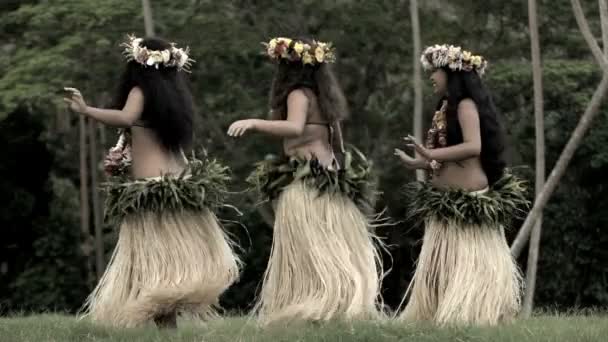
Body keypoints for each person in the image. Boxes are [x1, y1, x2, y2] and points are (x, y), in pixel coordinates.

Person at [64, 35, 240, 329]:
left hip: (152, 190)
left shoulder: (139, 90)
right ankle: (168, 327)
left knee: (157, 267)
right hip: (177, 184)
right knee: (169, 264)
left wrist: (86, 111)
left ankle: (166, 327)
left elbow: (124, 118)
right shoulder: (173, 98)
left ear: (137, 63)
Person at [228, 37, 383, 324]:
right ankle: (332, 303)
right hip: (329, 177)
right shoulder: (323, 98)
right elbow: (338, 142)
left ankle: (320, 303)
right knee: (329, 244)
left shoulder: (298, 93)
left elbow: (294, 127)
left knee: (312, 247)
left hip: (309, 182)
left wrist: (253, 123)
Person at [394, 44, 529, 326]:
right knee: (441, 268)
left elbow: (473, 146)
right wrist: (418, 163)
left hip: (468, 202)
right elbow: (447, 158)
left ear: (451, 74)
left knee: (470, 270)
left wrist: (430, 154)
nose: (431, 76)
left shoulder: (466, 105)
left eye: (435, 71)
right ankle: (438, 311)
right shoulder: (445, 107)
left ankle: (474, 312)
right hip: (445, 202)